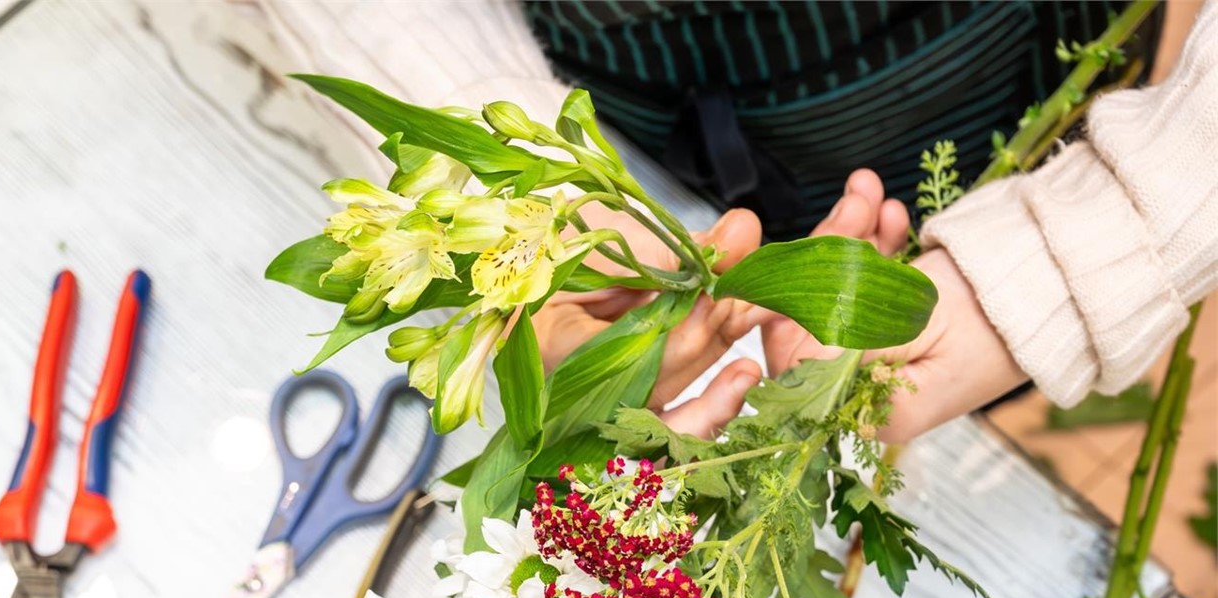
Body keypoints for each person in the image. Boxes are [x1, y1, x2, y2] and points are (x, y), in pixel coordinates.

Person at [265, 0, 1216, 441]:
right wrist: (525, 185)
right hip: (669, 107)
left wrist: (1093, 250)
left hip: (1022, 63)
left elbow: (1069, 268)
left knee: (951, 364)